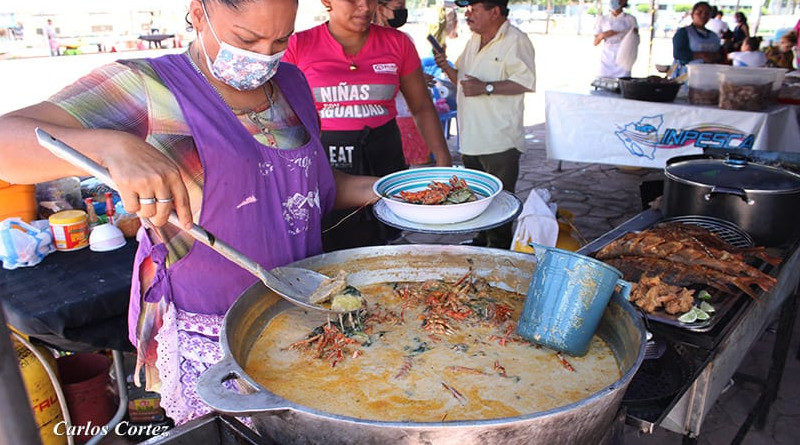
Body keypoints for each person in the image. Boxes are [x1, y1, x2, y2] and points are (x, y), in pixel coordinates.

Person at [0, 0, 378, 425]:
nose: (263, 57)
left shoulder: (291, 83)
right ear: (199, 14)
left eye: (280, 40)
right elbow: (6, 141)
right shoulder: (148, 88)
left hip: (304, 312)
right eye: (247, 39)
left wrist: (389, 190)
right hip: (214, 333)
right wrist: (111, 145)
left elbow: (309, 191)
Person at [283, 0, 452, 252]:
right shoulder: (299, 46)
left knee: (383, 240)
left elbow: (421, 106)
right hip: (328, 164)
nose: (364, 7)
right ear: (326, 2)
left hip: (384, 157)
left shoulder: (398, 43)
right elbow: (285, 119)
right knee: (331, 242)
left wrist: (443, 161)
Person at [433, 0, 535, 248]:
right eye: (466, 10)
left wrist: (487, 87)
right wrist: (446, 67)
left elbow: (526, 82)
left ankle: (499, 249)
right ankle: (481, 241)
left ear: (495, 11)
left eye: (474, 8)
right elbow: (465, 83)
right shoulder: (474, 41)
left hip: (499, 139)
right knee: (477, 197)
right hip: (471, 137)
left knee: (500, 201)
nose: (467, 14)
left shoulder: (515, 40)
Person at [372, 0, 430, 166]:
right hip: (386, 122)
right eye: (398, 8)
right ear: (380, 8)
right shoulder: (365, 41)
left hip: (409, 117)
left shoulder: (403, 40)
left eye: (404, 7)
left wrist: (416, 79)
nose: (402, 12)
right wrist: (407, 81)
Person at [671, 2, 722, 73]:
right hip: (687, 74)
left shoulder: (714, 36)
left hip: (709, 74)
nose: (703, 15)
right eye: (699, 12)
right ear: (692, 15)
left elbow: (720, 53)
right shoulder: (683, 32)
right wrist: (701, 55)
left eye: (707, 13)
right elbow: (678, 54)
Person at [592, 0, 638, 78]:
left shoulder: (630, 19)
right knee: (604, 79)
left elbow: (636, 38)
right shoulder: (603, 19)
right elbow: (595, 42)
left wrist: (629, 34)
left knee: (623, 79)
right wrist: (603, 35)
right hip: (607, 54)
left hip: (624, 53)